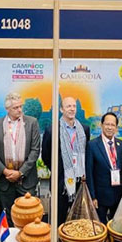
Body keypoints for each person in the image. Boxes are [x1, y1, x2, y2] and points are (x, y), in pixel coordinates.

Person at [0, 92, 41, 218]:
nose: (20, 110)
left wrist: (20, 172)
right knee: (7, 218)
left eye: (20, 106)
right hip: (4, 181)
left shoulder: (32, 122)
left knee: (28, 217)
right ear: (7, 109)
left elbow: (35, 150)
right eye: (15, 108)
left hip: (26, 181)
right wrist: (5, 171)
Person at [42, 96, 90, 224]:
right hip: (60, 181)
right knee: (59, 217)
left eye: (74, 106)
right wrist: (60, 170)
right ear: (61, 109)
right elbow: (46, 156)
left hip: (79, 181)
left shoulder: (84, 129)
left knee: (78, 218)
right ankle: (58, 237)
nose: (72, 109)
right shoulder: (52, 130)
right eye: (68, 106)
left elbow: (86, 153)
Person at [85, 112, 122, 223]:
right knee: (100, 227)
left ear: (116, 128)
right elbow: (89, 172)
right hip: (100, 197)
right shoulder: (92, 145)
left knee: (117, 226)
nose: (110, 127)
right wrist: (92, 196)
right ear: (101, 125)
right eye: (107, 124)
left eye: (112, 125)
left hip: (118, 195)